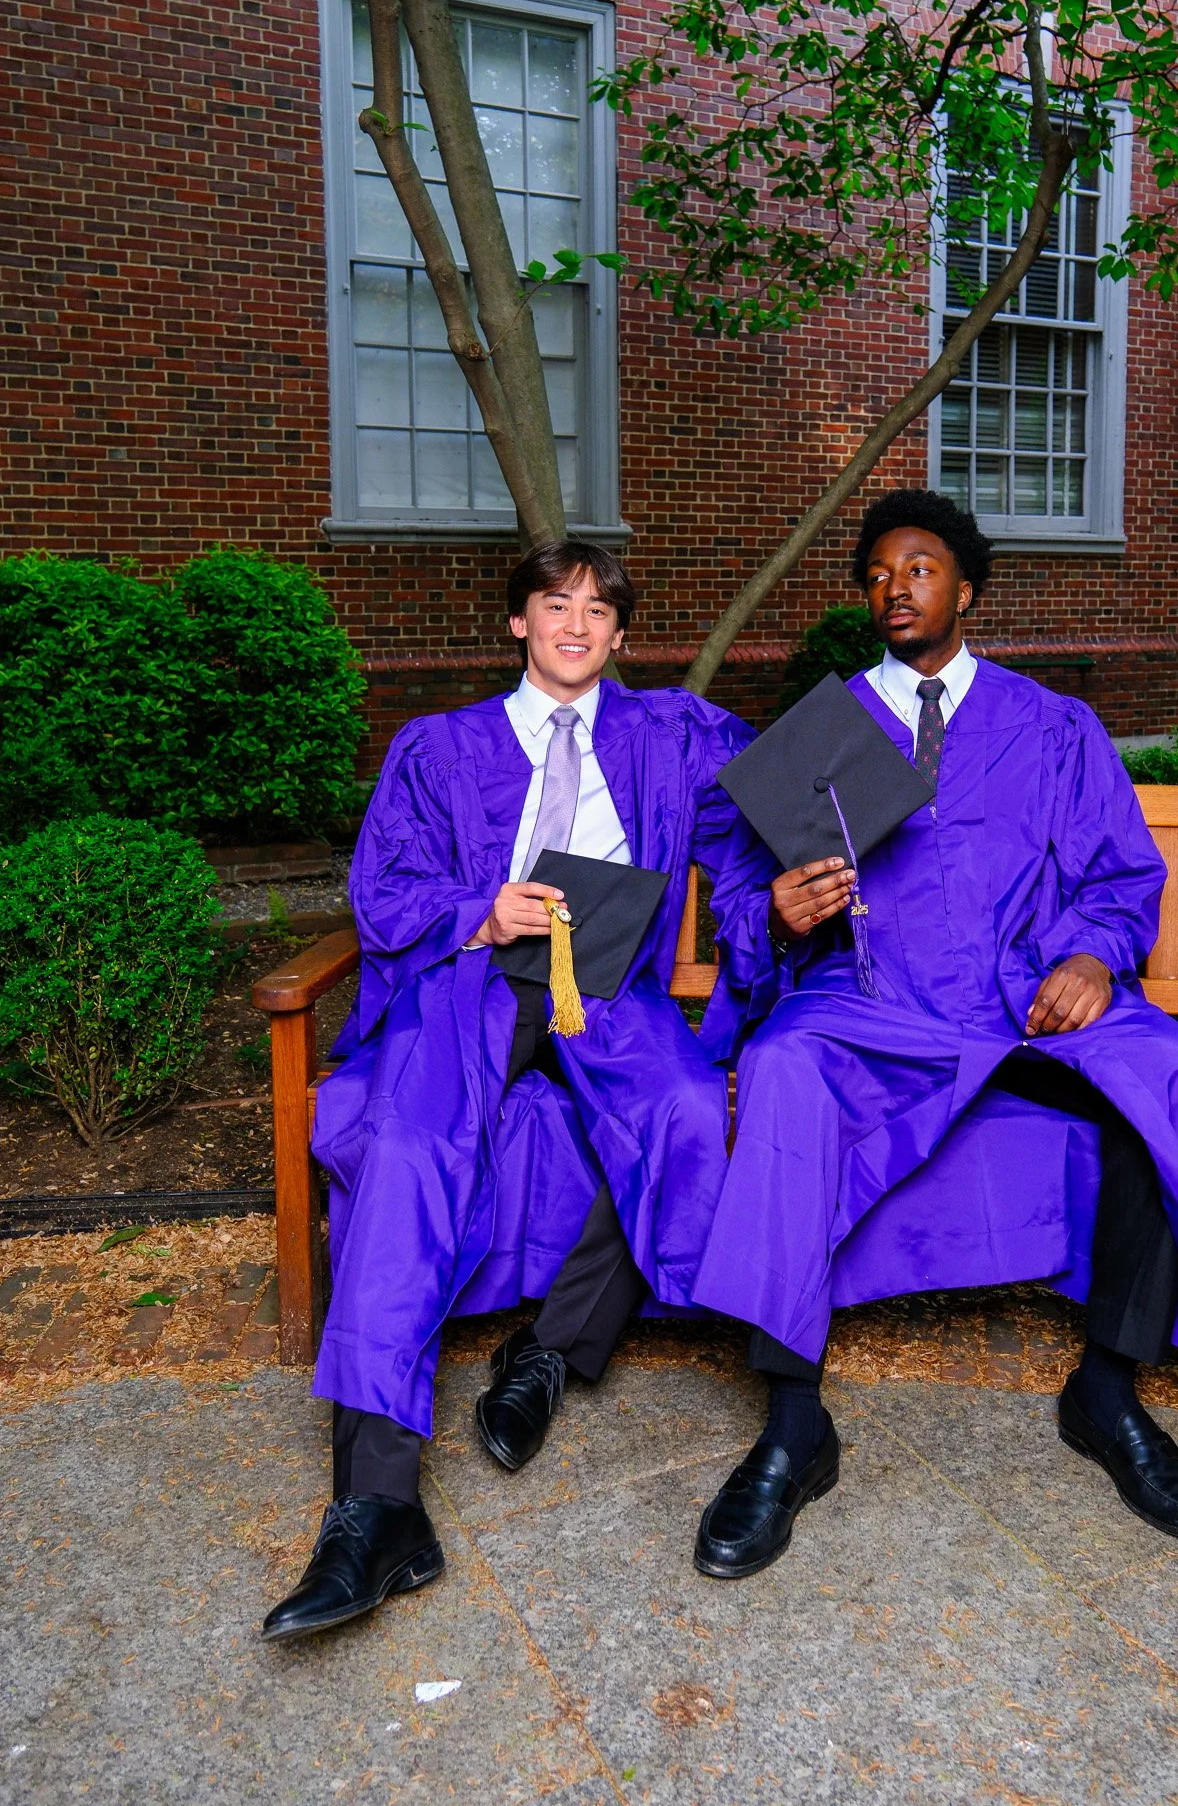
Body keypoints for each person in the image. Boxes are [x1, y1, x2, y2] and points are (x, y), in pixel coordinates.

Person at [690, 489, 1178, 1581]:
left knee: (1172, 1076)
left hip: (1021, 1000)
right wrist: (777, 911)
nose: (893, 585)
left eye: (917, 567)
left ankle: (1108, 1388)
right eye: (875, 571)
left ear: (967, 586)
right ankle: (791, 1420)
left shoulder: (1053, 724)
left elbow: (1117, 872)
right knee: (780, 1067)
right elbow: (744, 884)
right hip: (872, 1000)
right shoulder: (818, 733)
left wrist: (1098, 956)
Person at [263, 540, 775, 1639]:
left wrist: (873, 798)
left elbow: (778, 794)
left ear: (622, 635)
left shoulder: (671, 732)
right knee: (406, 1147)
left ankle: (551, 1343)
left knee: (684, 1111)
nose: (578, 624)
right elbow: (382, 886)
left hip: (609, 987)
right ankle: (377, 1505)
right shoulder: (435, 746)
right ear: (519, 622)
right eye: (556, 604)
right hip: (471, 984)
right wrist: (479, 908)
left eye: (600, 609)